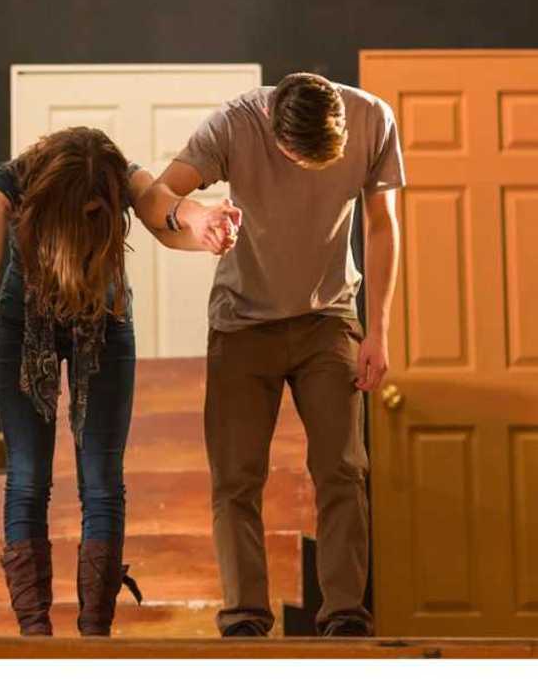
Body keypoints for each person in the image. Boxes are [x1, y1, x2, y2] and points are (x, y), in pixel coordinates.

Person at [141, 72, 404, 637]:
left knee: (343, 469)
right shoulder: (234, 123)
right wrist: (198, 219)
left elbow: (382, 226)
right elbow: (154, 200)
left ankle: (345, 619)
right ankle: (244, 621)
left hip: (329, 317)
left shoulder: (373, 119)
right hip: (242, 324)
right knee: (236, 478)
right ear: (274, 130)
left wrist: (377, 332)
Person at [0, 126, 239, 636]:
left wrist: (204, 225)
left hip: (103, 319)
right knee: (27, 477)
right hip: (27, 325)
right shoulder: (8, 183)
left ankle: (94, 635)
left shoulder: (121, 176)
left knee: (103, 481)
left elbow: (164, 213)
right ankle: (35, 635)